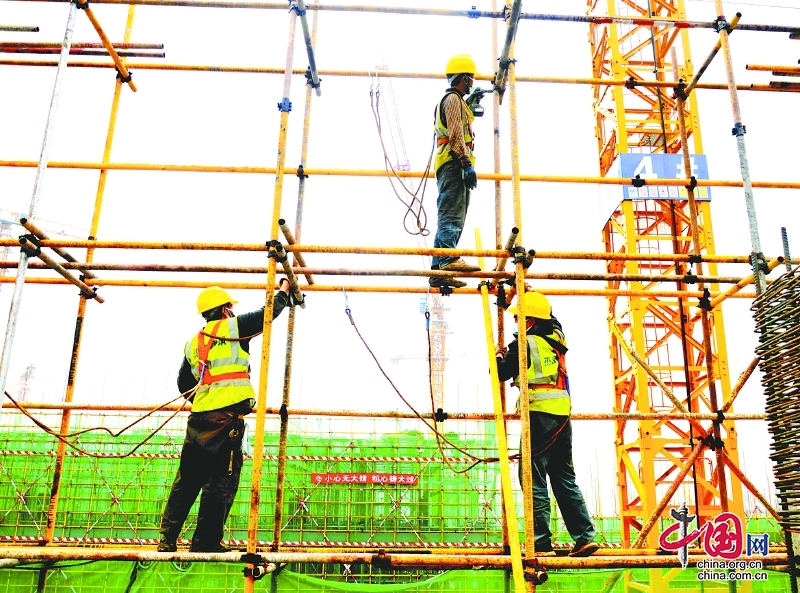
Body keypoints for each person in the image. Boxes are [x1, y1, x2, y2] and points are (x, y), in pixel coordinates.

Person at [157, 280, 291, 553]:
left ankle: (167, 539)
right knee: (220, 483)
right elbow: (270, 312)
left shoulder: (193, 343)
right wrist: (285, 289)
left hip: (198, 421)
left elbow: (184, 383)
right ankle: (204, 543)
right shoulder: (234, 327)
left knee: (187, 480)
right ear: (225, 309)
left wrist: (206, 400)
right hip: (225, 421)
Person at [495, 290, 599, 557]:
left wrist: (499, 356)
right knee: (564, 478)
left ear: (529, 321)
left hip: (539, 414)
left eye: (519, 317)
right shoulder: (557, 337)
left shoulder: (523, 345)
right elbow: (552, 318)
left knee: (533, 478)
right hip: (562, 414)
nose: (516, 322)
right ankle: (585, 537)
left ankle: (540, 543)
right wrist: (524, 290)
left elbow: (501, 373)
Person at [429, 53, 483, 289]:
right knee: (452, 214)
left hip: (451, 163)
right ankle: (448, 258)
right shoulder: (452, 100)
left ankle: (438, 270)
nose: (472, 81)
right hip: (454, 163)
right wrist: (465, 162)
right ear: (464, 78)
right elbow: (456, 134)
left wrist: (469, 105)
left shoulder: (457, 102)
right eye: (470, 77)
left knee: (451, 214)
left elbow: (460, 122)